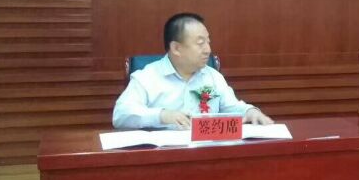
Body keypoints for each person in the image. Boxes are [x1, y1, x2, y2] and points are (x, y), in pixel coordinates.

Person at [113, 12, 273, 129]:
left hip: (208, 154)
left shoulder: (213, 77)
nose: (208, 50)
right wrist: (162, 115)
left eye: (208, 42)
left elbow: (232, 107)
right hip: (162, 157)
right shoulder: (147, 77)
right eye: (200, 43)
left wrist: (250, 111)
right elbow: (121, 115)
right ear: (176, 48)